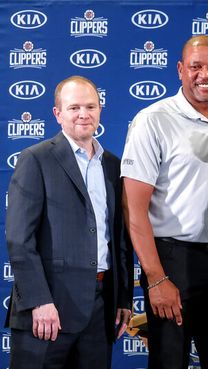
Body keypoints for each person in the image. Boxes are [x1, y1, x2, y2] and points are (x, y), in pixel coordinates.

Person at [121, 36, 208, 369]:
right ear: (180, 70)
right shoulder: (152, 120)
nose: (206, 75)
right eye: (196, 67)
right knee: (169, 362)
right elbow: (134, 209)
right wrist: (156, 279)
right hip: (173, 262)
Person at [5, 75, 133, 369]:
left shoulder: (113, 165)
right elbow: (19, 239)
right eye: (74, 107)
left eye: (90, 106)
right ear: (57, 114)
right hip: (48, 309)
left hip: (101, 311)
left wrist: (123, 298)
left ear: (100, 110)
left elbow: (120, 238)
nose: (83, 114)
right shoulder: (35, 159)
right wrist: (39, 301)